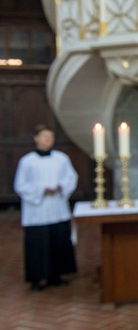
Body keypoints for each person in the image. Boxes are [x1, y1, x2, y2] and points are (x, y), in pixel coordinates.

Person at [14, 124, 78, 291]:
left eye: (50, 137)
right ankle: (37, 279)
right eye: (44, 136)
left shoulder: (61, 158)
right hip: (37, 210)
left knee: (58, 241)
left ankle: (56, 276)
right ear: (36, 138)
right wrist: (41, 190)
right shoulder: (27, 161)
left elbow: (71, 177)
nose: (48, 139)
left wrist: (61, 187)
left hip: (57, 206)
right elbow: (20, 185)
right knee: (38, 244)